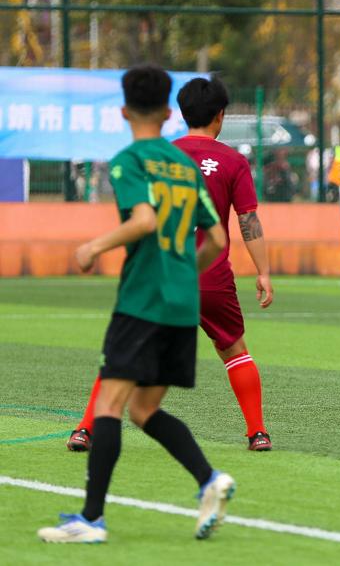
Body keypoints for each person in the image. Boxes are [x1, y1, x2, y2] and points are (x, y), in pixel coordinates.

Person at [39, 65, 235, 543]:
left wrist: (93, 247)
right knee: (144, 411)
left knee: (108, 403)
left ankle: (91, 520)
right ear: (169, 112)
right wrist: (185, 270)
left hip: (143, 299)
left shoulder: (129, 160)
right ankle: (210, 480)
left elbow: (144, 220)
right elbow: (216, 237)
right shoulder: (184, 165)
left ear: (124, 110)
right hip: (180, 304)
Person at [66, 76, 276, 453]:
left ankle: (85, 429)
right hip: (209, 274)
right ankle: (257, 432)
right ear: (221, 116)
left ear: (179, 114)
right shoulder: (233, 161)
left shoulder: (161, 156)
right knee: (235, 350)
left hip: (159, 273)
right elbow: (248, 220)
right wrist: (263, 271)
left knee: (123, 354)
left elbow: (140, 215)